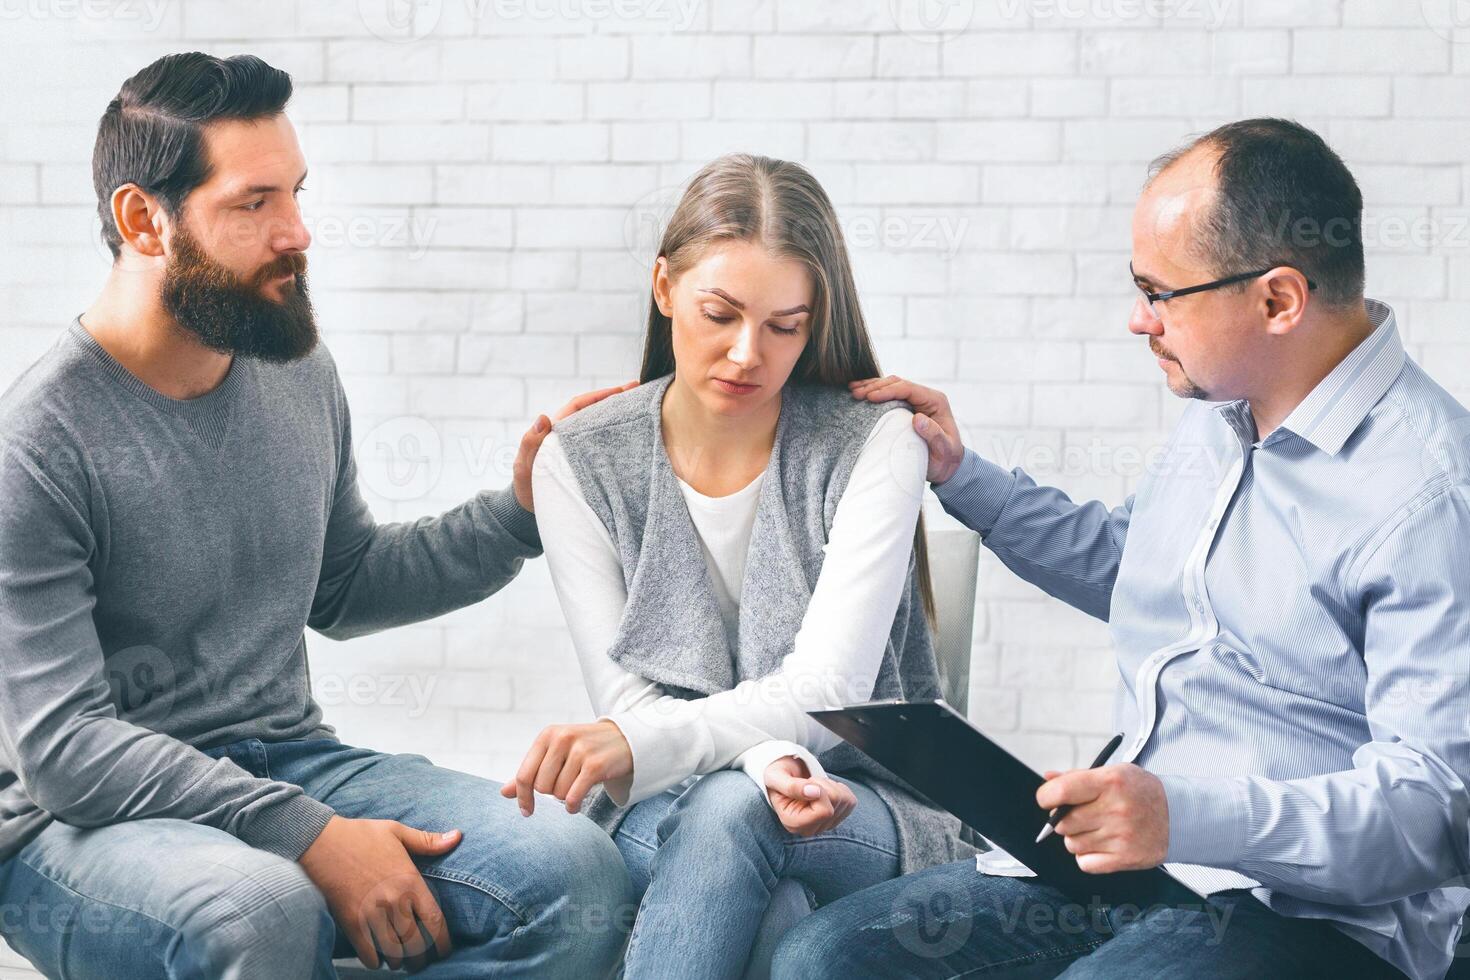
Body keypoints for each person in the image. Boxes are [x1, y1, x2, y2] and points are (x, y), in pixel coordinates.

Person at [772, 118, 1470, 980]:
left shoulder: (1431, 494)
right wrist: (962, 474)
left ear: (1279, 300)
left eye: (1160, 292)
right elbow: (1136, 566)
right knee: (825, 958)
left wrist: (1185, 816)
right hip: (1142, 872)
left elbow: (1430, 814)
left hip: (1317, 918)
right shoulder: (1222, 411)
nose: (1138, 319)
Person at [0, 52, 635, 979]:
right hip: (76, 826)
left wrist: (519, 513)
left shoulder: (293, 369)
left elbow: (342, 583)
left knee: (575, 872)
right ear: (146, 221)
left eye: (295, 193)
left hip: (286, 759)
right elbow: (65, 751)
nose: (297, 232)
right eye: (253, 204)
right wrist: (310, 837)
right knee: (262, 911)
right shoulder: (36, 447)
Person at [503, 153, 974, 979]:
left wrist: (761, 767)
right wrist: (763, 757)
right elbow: (627, 700)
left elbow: (826, 692)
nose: (747, 353)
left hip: (865, 802)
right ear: (663, 290)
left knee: (735, 813)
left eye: (785, 326)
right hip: (677, 802)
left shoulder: (875, 444)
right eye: (719, 314)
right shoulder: (577, 462)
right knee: (769, 892)